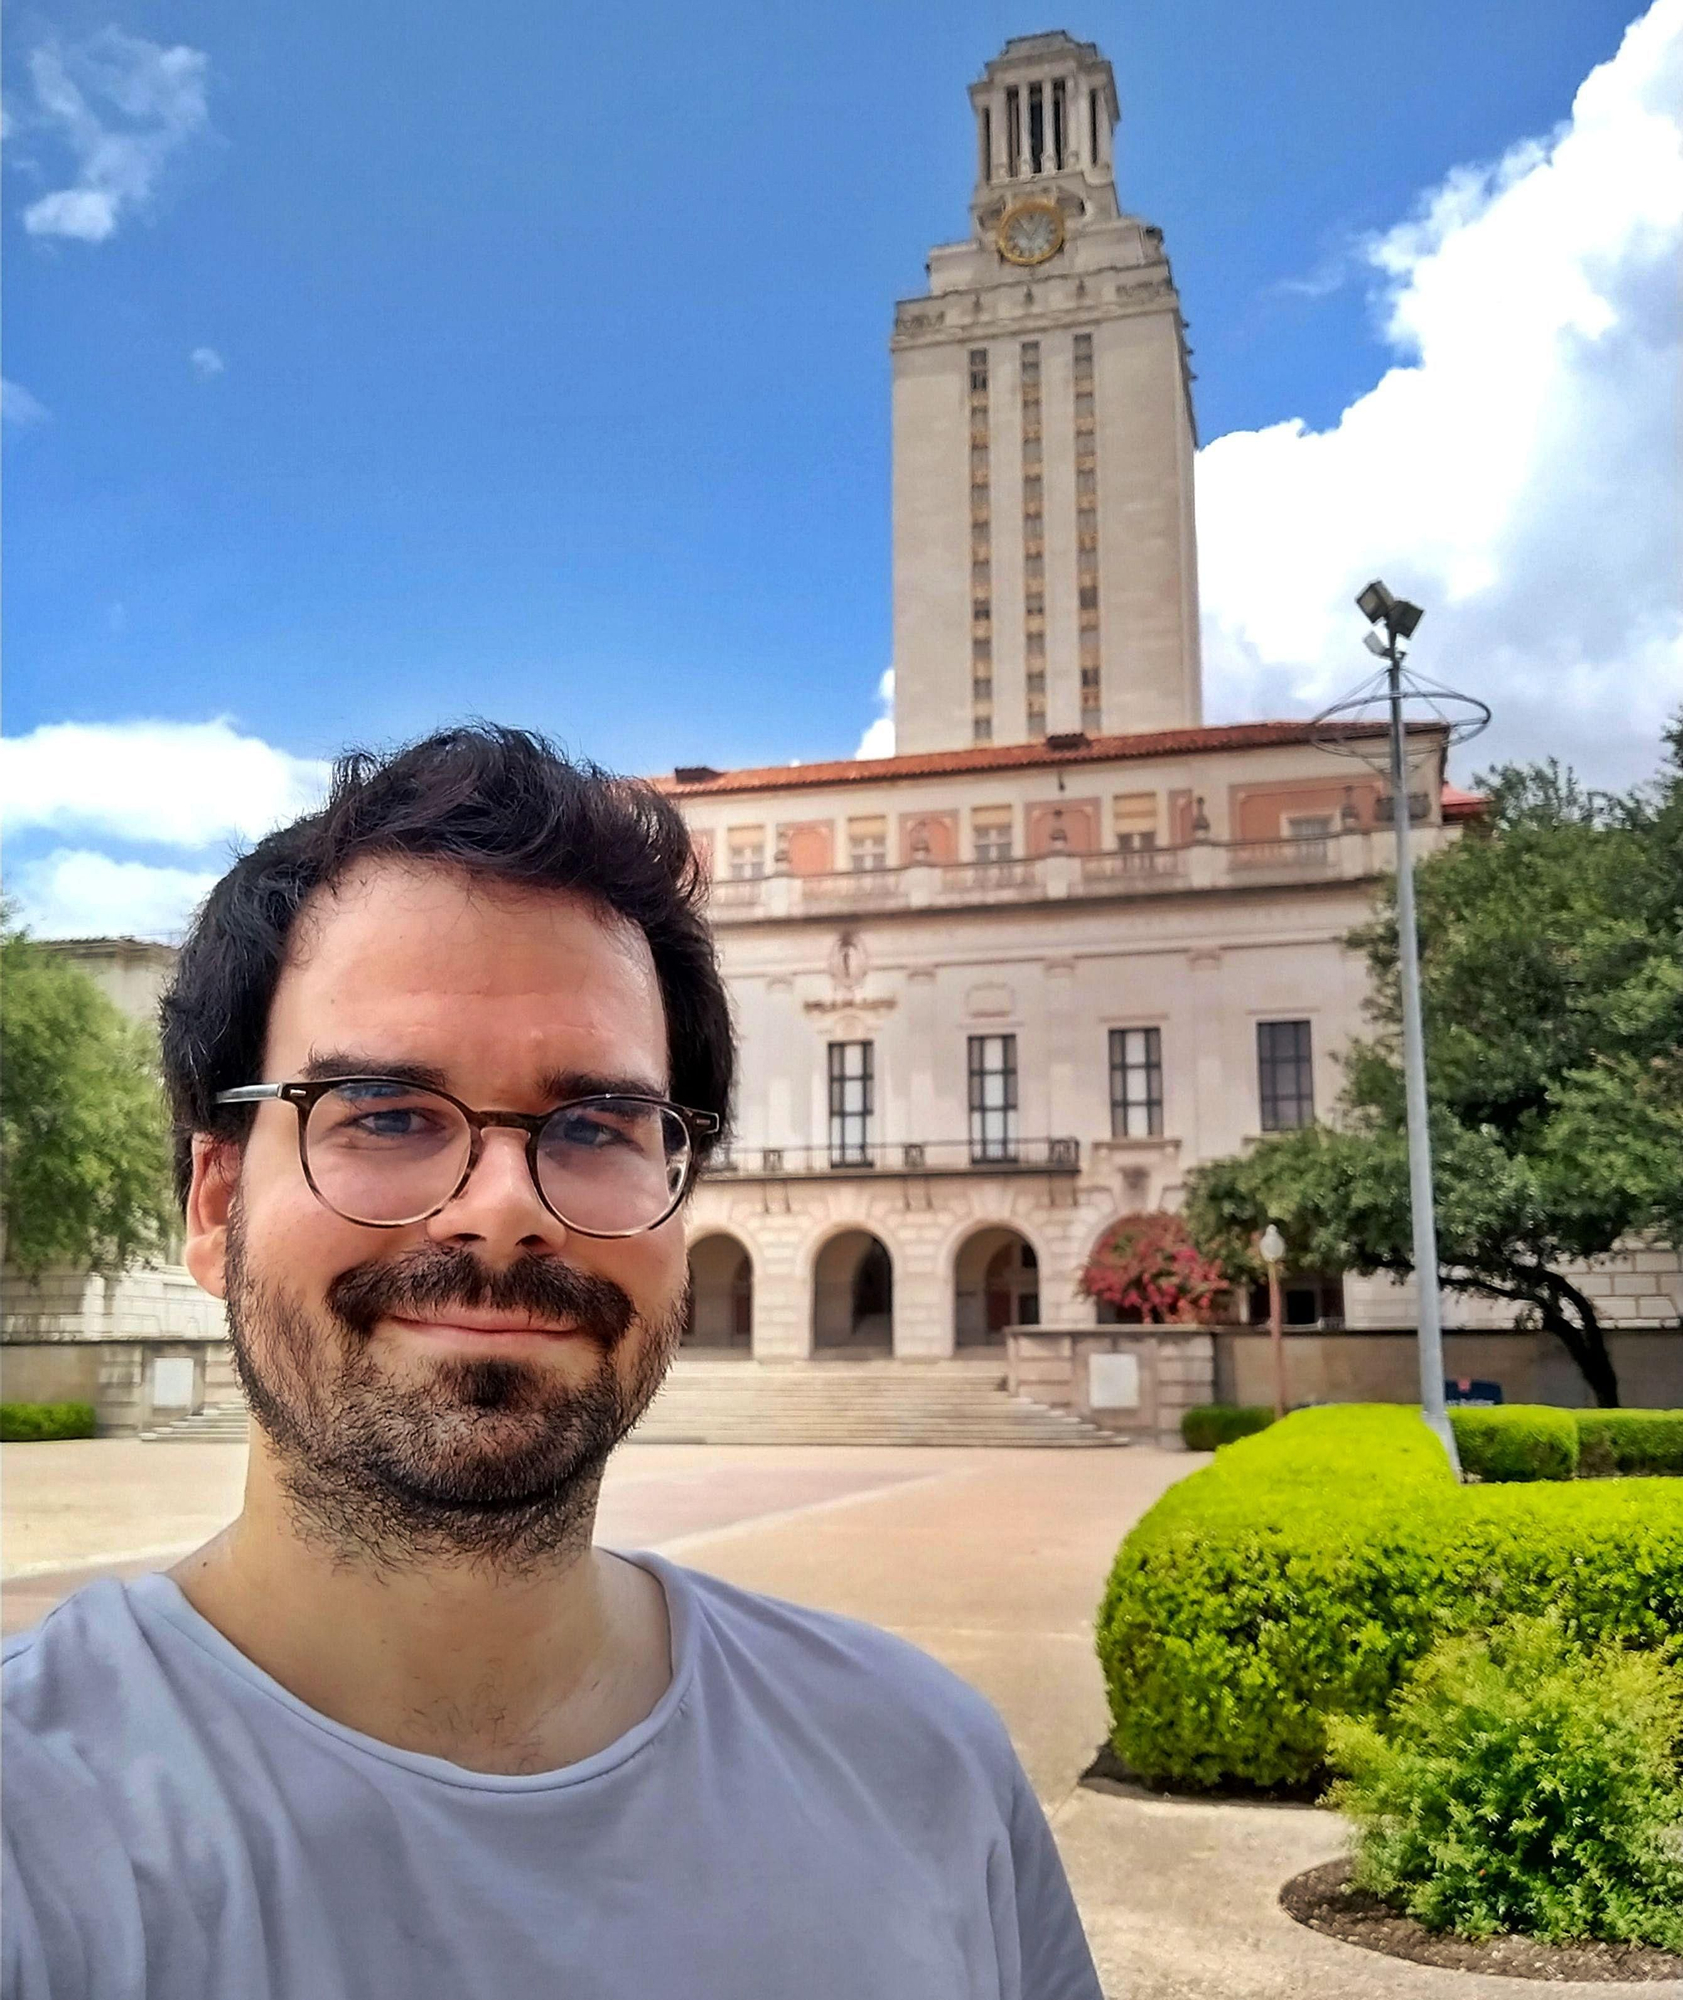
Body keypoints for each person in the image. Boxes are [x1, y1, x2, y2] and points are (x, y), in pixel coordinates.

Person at [3, 725, 1105, 2000]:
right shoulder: (34, 1828)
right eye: (388, 1113)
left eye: (595, 1122)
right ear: (212, 1200)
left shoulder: (933, 1770)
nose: (503, 1206)